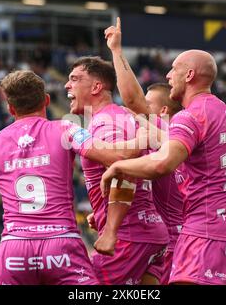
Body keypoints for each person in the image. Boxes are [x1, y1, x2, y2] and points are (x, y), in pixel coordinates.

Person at [0, 70, 141, 285]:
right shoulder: (66, 129)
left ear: (11, 108)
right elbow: (116, 156)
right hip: (62, 246)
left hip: (15, 250)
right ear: (46, 100)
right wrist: (143, 132)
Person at [101, 49, 226, 285]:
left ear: (190, 75)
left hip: (205, 230)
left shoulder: (191, 115)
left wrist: (118, 167)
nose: (169, 74)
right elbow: (166, 138)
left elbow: (163, 162)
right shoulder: (222, 110)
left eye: (174, 69)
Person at [65, 56, 169, 285]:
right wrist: (102, 211)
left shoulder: (105, 122)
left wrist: (111, 230)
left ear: (96, 86)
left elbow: (126, 173)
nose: (67, 85)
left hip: (128, 236)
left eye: (74, 79)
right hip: (150, 233)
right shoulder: (121, 116)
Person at [102, 17, 184, 285]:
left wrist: (116, 51)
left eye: (148, 104)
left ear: (161, 111)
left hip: (168, 241)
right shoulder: (178, 137)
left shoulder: (164, 130)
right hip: (172, 238)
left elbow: (132, 99)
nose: (137, 109)